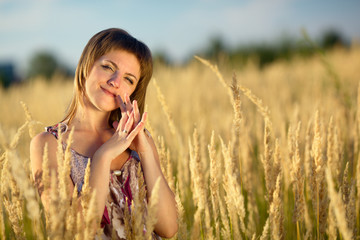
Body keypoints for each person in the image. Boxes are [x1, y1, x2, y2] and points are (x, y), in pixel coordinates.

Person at [30, 28, 178, 239]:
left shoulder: (138, 141)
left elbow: (169, 227)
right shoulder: (49, 144)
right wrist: (103, 156)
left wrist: (145, 150)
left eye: (129, 79)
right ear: (86, 65)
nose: (115, 81)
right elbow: (75, 232)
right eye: (108, 67)